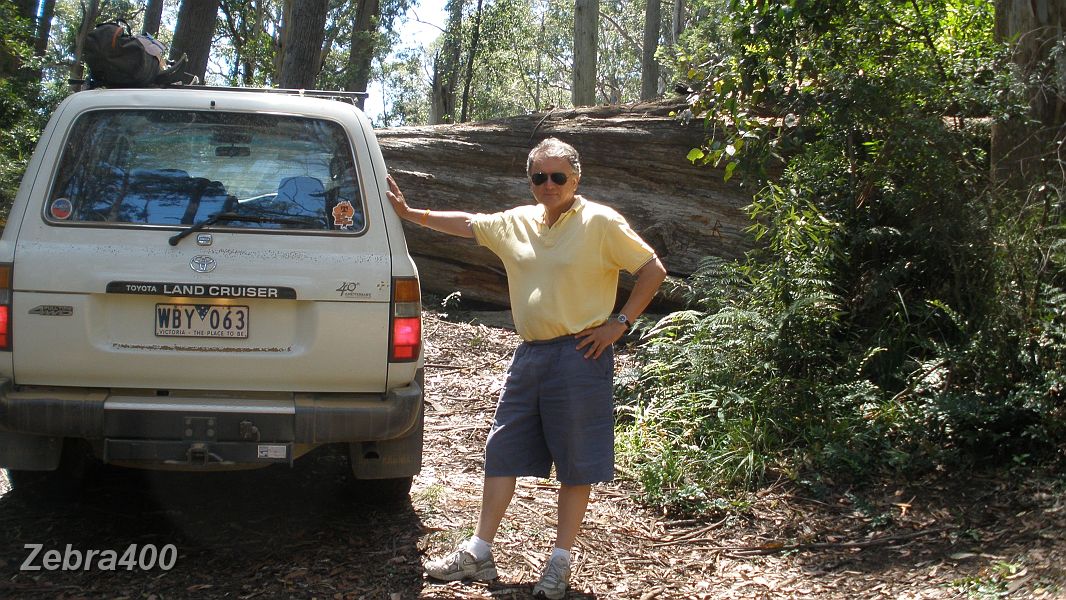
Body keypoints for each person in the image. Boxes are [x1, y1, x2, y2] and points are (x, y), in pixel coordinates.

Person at [386, 137, 666, 599]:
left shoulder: (601, 222)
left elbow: (653, 269)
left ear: (576, 178)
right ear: (530, 180)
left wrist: (619, 324)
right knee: (503, 449)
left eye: (558, 176)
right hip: (531, 354)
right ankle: (479, 553)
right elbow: (469, 224)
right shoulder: (518, 222)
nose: (549, 184)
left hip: (582, 354)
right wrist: (413, 214)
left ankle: (559, 564)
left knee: (576, 463)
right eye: (540, 177)